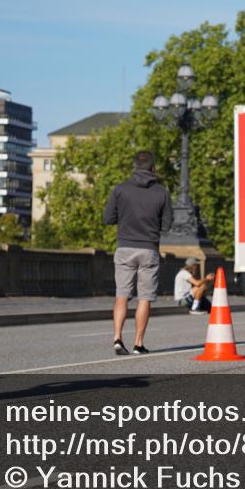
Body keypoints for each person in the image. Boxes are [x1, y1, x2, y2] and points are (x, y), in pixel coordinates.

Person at [103, 150, 172, 355]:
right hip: (149, 248)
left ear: (135, 166)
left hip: (125, 246)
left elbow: (108, 218)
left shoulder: (120, 189)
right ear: (153, 168)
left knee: (121, 296)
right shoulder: (162, 192)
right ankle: (138, 344)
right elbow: (167, 225)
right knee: (145, 298)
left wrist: (126, 218)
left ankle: (117, 338)